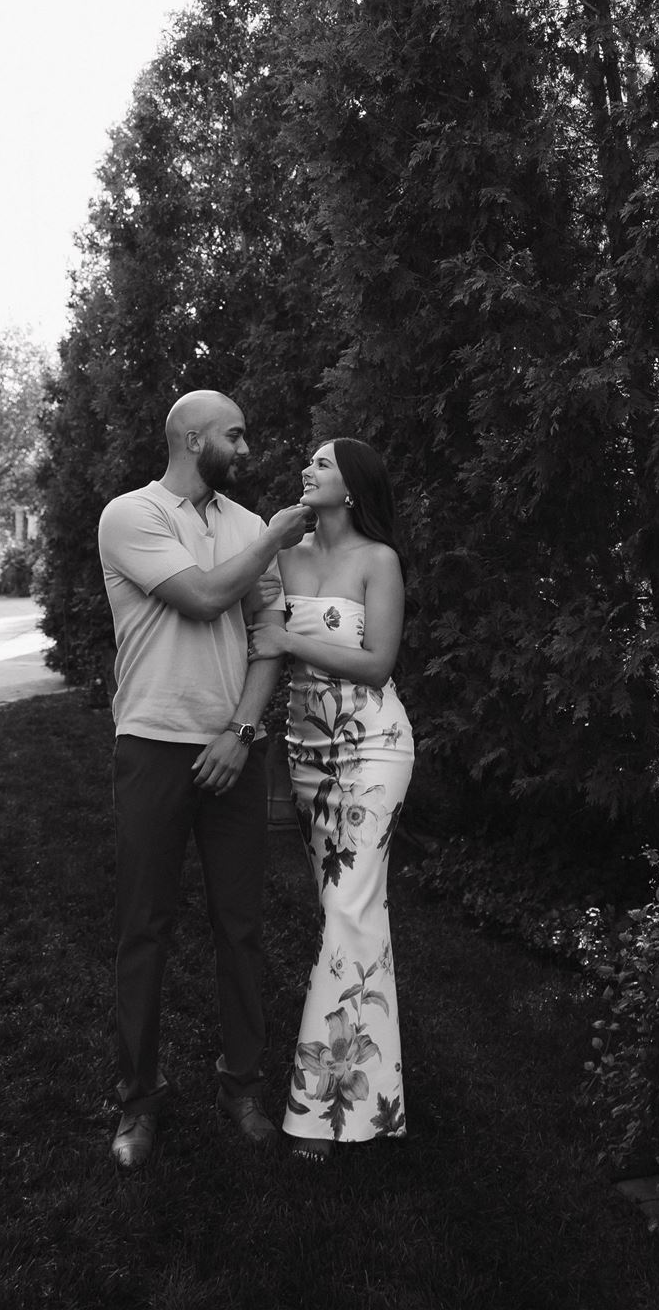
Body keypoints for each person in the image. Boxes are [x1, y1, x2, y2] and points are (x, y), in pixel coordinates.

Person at [97, 389, 311, 1171]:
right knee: (144, 929)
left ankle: (243, 1085)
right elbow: (204, 597)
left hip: (233, 749)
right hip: (152, 746)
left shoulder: (248, 525)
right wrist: (280, 536)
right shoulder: (132, 516)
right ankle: (137, 1101)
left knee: (241, 927)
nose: (247, 450)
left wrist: (242, 732)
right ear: (192, 438)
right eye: (235, 435)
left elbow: (267, 635)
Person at [247, 437, 414, 1160]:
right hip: (308, 753)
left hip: (374, 747)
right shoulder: (284, 555)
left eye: (323, 461)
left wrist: (289, 638)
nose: (308, 468)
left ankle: (320, 1110)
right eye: (308, 460)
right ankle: (368, 1096)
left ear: (353, 486)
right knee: (348, 916)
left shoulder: (378, 561)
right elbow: (252, 631)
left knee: (348, 911)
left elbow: (377, 664)